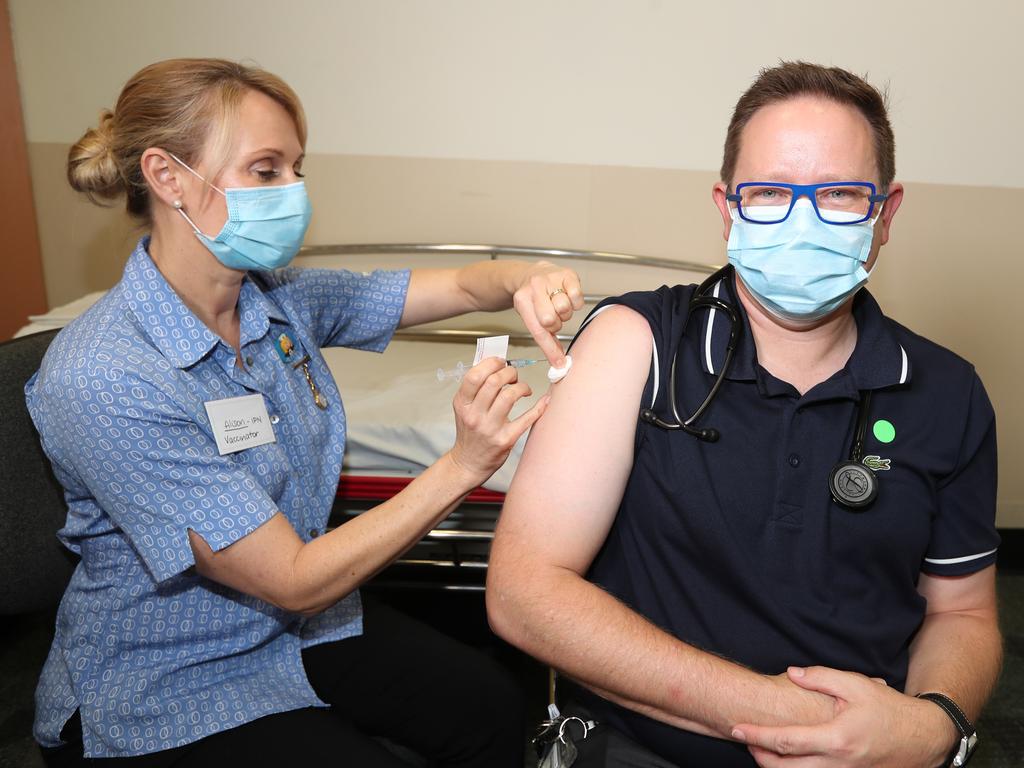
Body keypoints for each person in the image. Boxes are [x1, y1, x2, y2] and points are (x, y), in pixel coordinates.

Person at [28, 58, 585, 766]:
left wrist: (525, 279)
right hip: (167, 682)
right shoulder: (103, 376)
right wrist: (462, 465)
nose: (294, 192)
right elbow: (292, 576)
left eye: (297, 167)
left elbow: (459, 287)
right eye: (266, 170)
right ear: (168, 177)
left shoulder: (274, 300)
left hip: (296, 628)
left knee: (493, 706)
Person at [487, 61, 1001, 767]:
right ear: (728, 207)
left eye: (843, 195)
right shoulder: (638, 344)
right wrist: (782, 718)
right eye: (768, 193)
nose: (803, 221)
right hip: (642, 750)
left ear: (886, 213)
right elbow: (523, 591)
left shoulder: (948, 393)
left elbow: (962, 614)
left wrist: (933, 725)